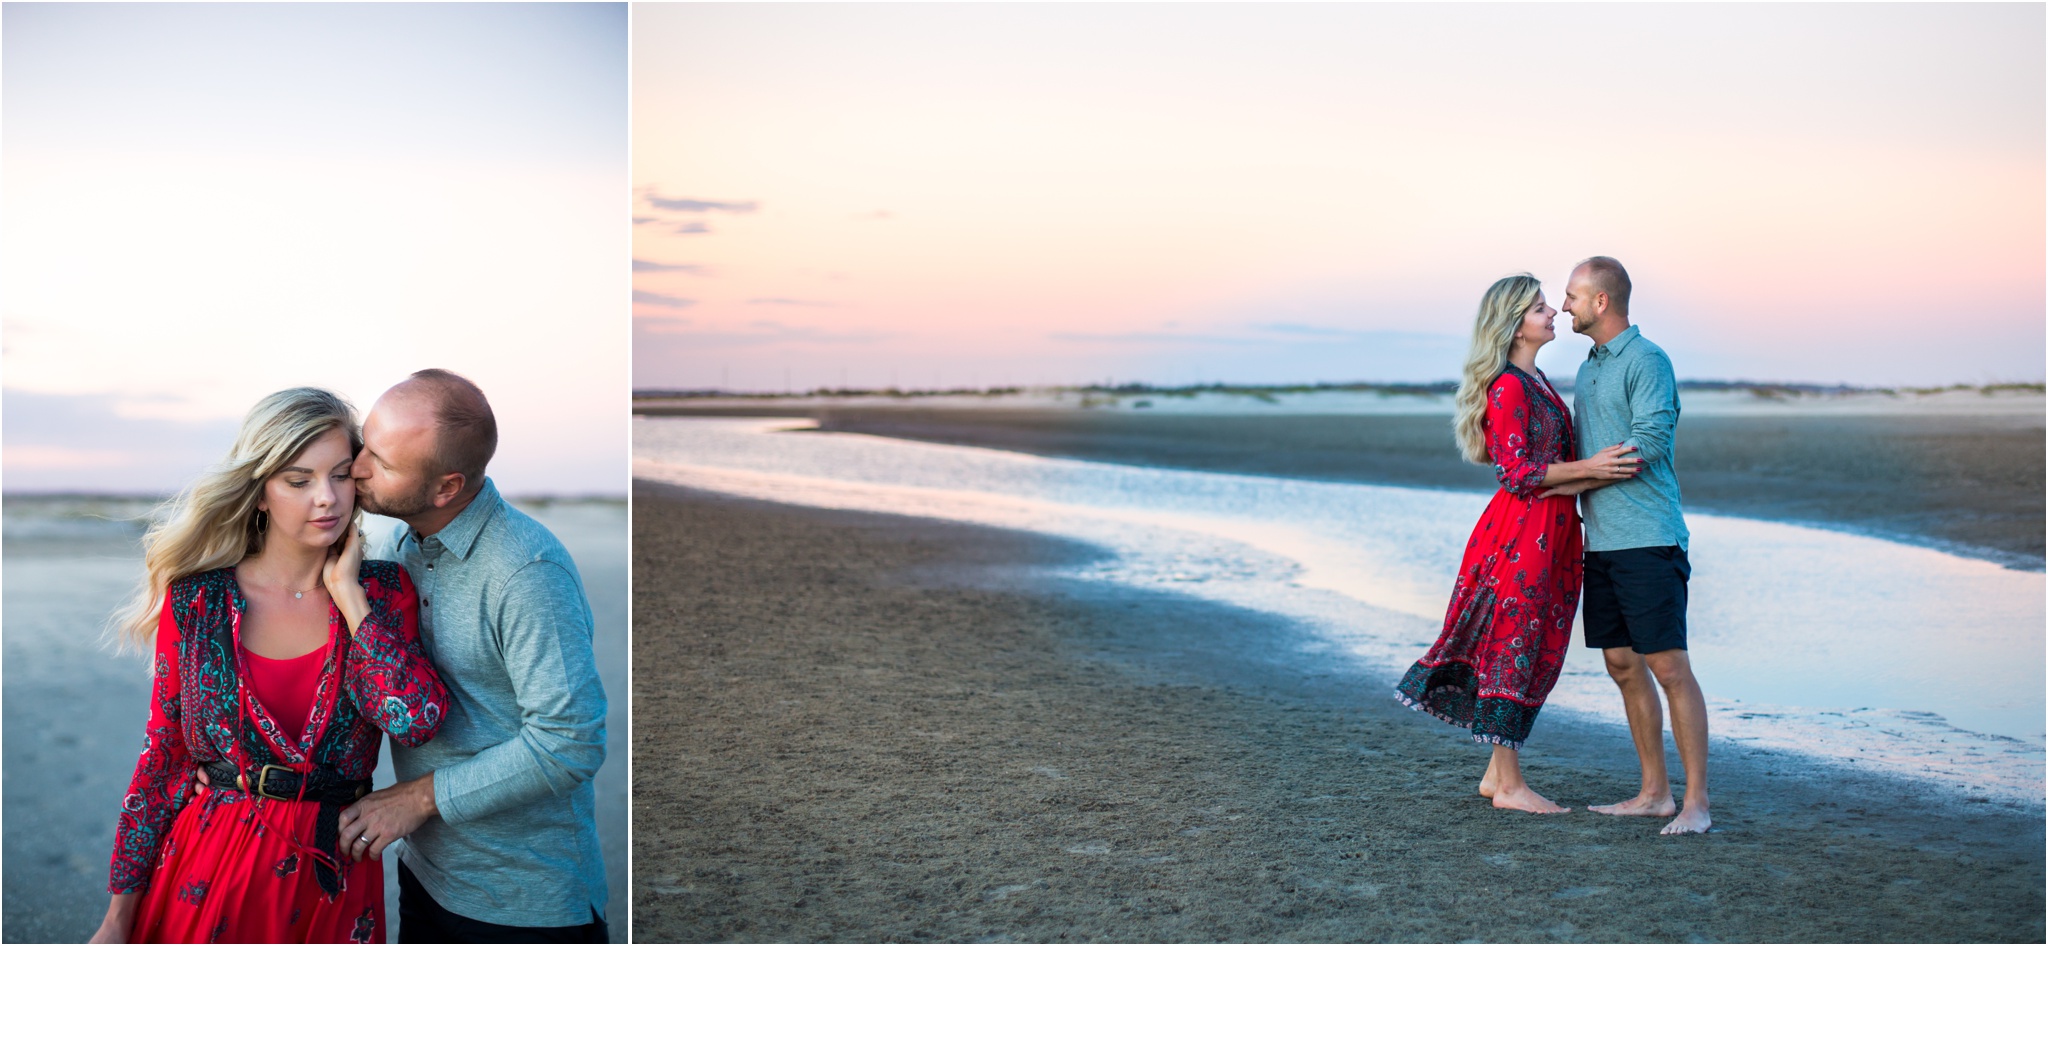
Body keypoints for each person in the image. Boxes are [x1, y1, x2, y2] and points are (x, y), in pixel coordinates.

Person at [90, 388, 449, 944]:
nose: (326, 499)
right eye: (298, 481)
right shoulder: (198, 602)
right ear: (260, 493)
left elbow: (415, 720)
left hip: (333, 878)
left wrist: (349, 597)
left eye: (340, 475)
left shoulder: (381, 592)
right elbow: (162, 759)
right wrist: (117, 916)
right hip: (210, 869)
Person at [330, 369, 610, 942]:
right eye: (365, 446)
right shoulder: (397, 545)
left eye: (379, 464)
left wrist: (419, 798)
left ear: (445, 489)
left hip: (524, 903)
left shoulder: (527, 572)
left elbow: (571, 740)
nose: (355, 468)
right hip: (425, 876)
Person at [1394, 274, 1643, 813]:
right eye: (1538, 308)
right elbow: (1517, 473)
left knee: (1533, 649)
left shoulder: (1540, 382)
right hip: (1519, 535)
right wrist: (1589, 467)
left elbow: (1551, 475)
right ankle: (1509, 786)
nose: (1552, 312)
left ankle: (1493, 775)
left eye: (1549, 304)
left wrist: (1598, 475)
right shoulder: (1508, 386)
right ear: (1513, 326)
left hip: (1550, 531)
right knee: (1511, 646)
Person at [1554, 256, 1712, 835]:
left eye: (1571, 295)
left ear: (1601, 302)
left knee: (1669, 667)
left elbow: (1647, 442)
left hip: (1649, 537)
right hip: (1603, 544)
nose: (1563, 304)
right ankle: (1655, 793)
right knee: (1621, 664)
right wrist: (1577, 474)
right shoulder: (1590, 367)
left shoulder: (1647, 360)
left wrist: (1576, 475)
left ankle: (1696, 803)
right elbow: (1593, 451)